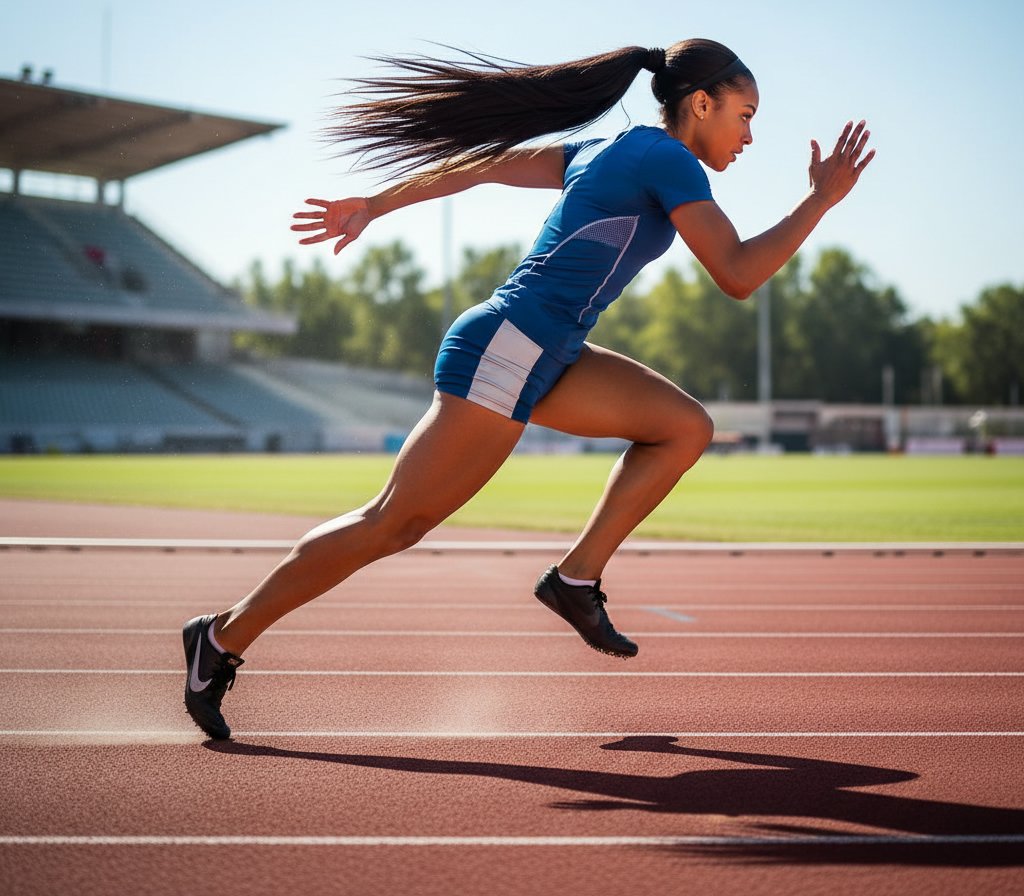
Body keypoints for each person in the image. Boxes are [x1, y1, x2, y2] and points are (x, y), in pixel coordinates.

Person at [183, 39, 874, 740]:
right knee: (393, 523)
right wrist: (820, 200)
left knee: (684, 427)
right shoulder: (666, 159)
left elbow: (481, 165)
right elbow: (737, 273)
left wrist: (376, 205)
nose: (749, 136)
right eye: (745, 115)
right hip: (508, 348)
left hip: (552, 352)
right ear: (701, 103)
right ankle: (222, 636)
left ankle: (576, 579)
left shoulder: (608, 150)